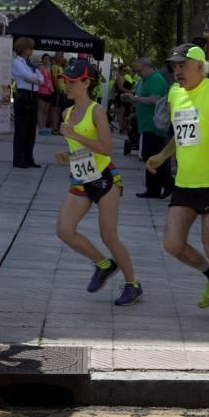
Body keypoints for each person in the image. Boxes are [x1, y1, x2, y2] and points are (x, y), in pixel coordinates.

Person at [145, 44, 209, 326]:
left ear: (200, 66)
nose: (177, 71)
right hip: (184, 183)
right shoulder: (174, 93)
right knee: (172, 244)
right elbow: (182, 136)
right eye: (174, 66)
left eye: (183, 65)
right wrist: (162, 155)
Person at [55, 60, 142, 306]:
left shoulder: (96, 111)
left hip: (105, 178)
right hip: (81, 179)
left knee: (109, 236)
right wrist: (67, 155)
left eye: (73, 81)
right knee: (64, 230)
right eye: (65, 81)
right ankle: (103, 264)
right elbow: (79, 148)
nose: (67, 85)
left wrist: (74, 135)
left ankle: (132, 284)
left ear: (86, 82)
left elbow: (107, 148)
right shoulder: (67, 113)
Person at [123, 57, 173, 199]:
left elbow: (155, 99)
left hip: (155, 126)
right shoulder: (144, 80)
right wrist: (132, 97)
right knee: (148, 156)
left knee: (151, 156)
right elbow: (143, 97)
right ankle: (153, 189)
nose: (137, 74)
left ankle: (168, 183)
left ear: (147, 67)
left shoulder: (156, 79)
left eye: (139, 71)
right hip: (146, 125)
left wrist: (134, 99)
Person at [12, 37, 45, 169]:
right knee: (21, 129)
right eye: (30, 48)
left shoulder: (30, 63)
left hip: (33, 95)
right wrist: (36, 79)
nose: (32, 50)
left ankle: (28, 157)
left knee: (31, 129)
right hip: (23, 95)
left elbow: (41, 79)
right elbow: (28, 76)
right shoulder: (17, 62)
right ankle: (19, 159)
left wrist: (36, 79)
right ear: (23, 49)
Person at [37, 54, 55, 135]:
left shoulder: (49, 68)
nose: (47, 60)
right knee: (41, 110)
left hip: (49, 92)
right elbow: (40, 80)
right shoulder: (41, 68)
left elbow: (50, 80)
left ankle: (44, 127)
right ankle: (41, 128)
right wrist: (48, 86)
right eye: (45, 58)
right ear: (42, 59)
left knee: (45, 111)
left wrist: (52, 89)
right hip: (42, 90)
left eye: (48, 59)